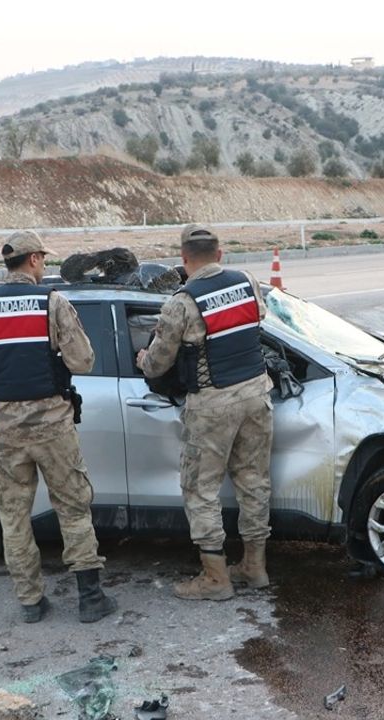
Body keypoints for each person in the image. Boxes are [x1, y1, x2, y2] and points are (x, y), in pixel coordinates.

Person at [0, 230, 118, 624]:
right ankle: (90, 599)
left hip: (7, 428)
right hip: (53, 427)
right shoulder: (52, 303)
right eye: (43, 259)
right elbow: (83, 361)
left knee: (14, 515)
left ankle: (30, 602)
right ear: (35, 260)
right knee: (73, 509)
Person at [136, 224, 275, 601]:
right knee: (254, 481)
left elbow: (158, 364)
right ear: (220, 254)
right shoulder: (247, 282)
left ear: (183, 260)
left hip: (213, 404)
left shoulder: (182, 302)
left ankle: (215, 579)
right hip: (256, 394)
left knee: (200, 489)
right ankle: (254, 567)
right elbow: (255, 321)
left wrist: (143, 358)